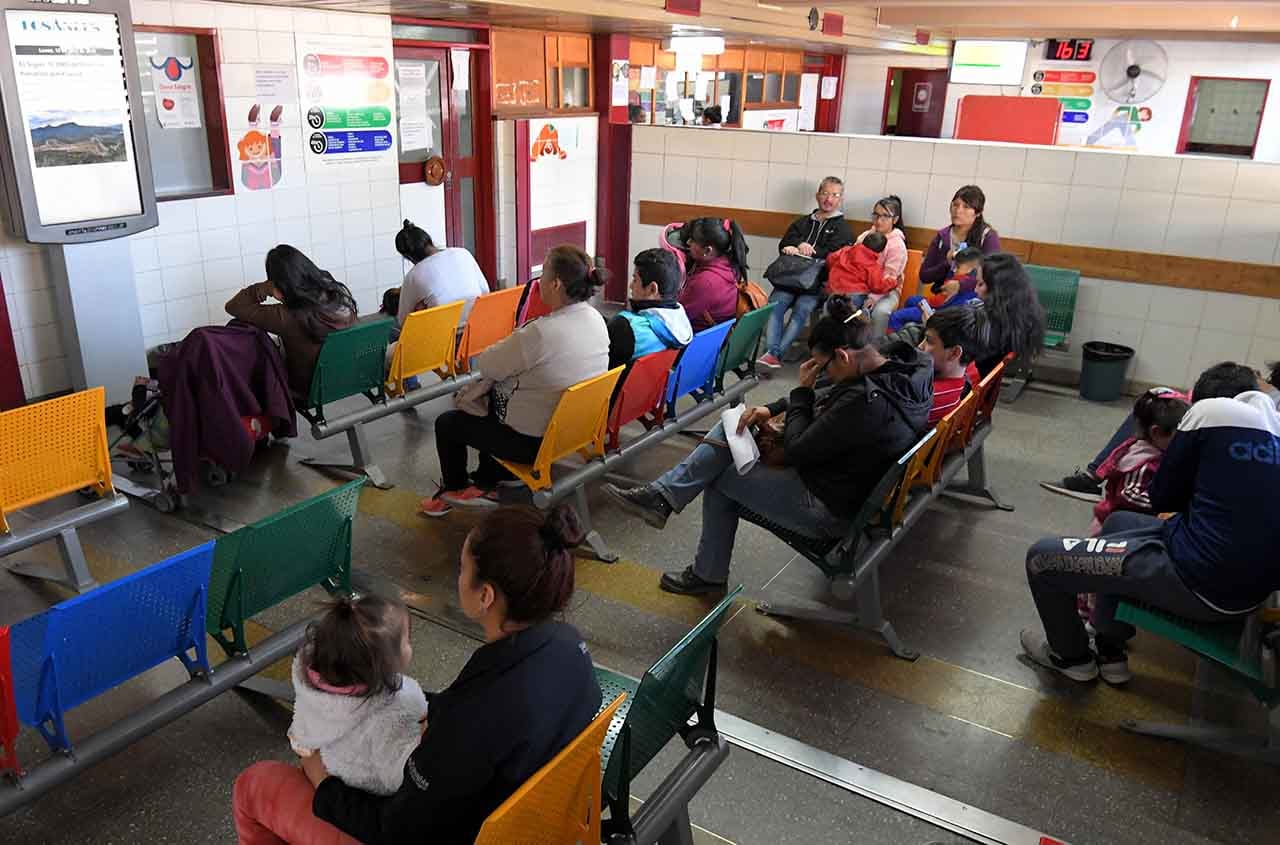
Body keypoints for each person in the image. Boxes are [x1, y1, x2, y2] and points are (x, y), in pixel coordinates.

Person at [232, 505, 602, 845]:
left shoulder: (472, 718)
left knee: (255, 785)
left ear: (486, 595)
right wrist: (438, 720)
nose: (458, 578)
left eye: (462, 568)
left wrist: (321, 780)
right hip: (537, 823)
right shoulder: (570, 647)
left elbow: (394, 829)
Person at [604, 297, 932, 595]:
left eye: (823, 366)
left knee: (719, 479)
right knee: (734, 428)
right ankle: (664, 498)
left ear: (843, 355)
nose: (820, 374)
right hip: (850, 486)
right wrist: (773, 409)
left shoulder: (864, 402)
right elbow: (829, 395)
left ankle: (704, 567)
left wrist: (802, 391)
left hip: (829, 508)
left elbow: (800, 447)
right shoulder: (903, 369)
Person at [1020, 362, 1280, 686]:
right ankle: (1109, 645)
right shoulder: (1275, 428)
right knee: (1118, 522)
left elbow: (1163, 499)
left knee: (1042, 558)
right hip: (1249, 593)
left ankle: (1071, 658)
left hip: (1201, 584)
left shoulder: (1211, 412)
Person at [422, 246, 609, 516]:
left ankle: (455, 488)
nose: (539, 280)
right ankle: (490, 478)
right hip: (572, 433)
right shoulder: (596, 319)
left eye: (543, 273)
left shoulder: (541, 333)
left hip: (532, 443)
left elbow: (486, 363)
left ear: (556, 284)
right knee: (501, 401)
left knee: (449, 422)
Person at [281, 596, 427, 799]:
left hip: (336, 770)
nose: (411, 644)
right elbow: (400, 777)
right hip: (367, 794)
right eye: (407, 640)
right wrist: (425, 738)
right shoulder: (389, 716)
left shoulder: (315, 687)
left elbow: (301, 736)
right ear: (384, 665)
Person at [225, 245, 357, 397]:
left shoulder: (287, 316)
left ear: (280, 284)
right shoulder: (338, 293)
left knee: (251, 342)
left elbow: (234, 306)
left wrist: (265, 288)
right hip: (346, 375)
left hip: (308, 388)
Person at [758, 177, 855, 369]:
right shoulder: (802, 223)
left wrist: (811, 250)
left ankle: (774, 354)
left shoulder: (843, 229)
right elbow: (784, 244)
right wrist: (793, 247)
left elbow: (837, 255)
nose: (829, 199)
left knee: (801, 311)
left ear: (841, 199)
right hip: (788, 280)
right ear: (817, 195)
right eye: (825, 193)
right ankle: (772, 353)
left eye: (835, 195)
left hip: (816, 285)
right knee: (774, 307)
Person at [607, 248, 693, 369]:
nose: (631, 286)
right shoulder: (680, 320)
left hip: (622, 387)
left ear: (652, 289)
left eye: (635, 279)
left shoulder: (626, 327)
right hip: (656, 385)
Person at [394, 220, 490, 327]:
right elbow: (485, 290)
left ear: (409, 257)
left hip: (446, 338)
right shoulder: (463, 253)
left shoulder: (413, 276)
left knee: (395, 332)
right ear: (429, 240)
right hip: (479, 327)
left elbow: (403, 321)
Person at [967, 252, 1046, 376]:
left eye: (980, 284)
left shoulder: (991, 324)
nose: (975, 290)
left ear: (997, 289)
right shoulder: (1018, 315)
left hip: (973, 381)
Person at [675, 217, 750, 332]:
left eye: (693, 240)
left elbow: (675, 318)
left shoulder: (706, 281)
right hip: (714, 340)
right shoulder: (728, 265)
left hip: (692, 341)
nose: (688, 242)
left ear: (707, 251)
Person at [919, 185, 1001, 289]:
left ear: (978, 213)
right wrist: (947, 263)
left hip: (972, 299)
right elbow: (924, 276)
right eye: (955, 205)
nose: (958, 211)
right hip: (944, 294)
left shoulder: (988, 237)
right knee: (913, 301)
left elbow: (992, 277)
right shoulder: (942, 236)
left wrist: (960, 285)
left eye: (966, 207)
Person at [887, 246, 983, 332]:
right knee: (911, 300)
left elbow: (940, 302)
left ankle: (894, 345)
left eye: (958, 267)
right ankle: (911, 331)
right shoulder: (973, 281)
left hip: (939, 313)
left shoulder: (961, 281)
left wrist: (925, 303)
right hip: (942, 307)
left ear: (971, 270)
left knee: (896, 317)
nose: (954, 270)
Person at [853, 196, 909, 336]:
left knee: (880, 312)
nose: (878, 221)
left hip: (887, 290)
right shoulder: (866, 235)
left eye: (885, 216)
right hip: (862, 286)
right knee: (837, 303)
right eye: (876, 215)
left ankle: (876, 351)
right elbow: (852, 260)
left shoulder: (897, 244)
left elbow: (890, 278)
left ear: (894, 220)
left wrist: (873, 297)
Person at [917, 307, 981, 425]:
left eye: (929, 341)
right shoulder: (961, 382)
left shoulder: (926, 399)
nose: (920, 346)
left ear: (954, 353)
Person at [824, 231, 888, 307]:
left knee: (828, 312)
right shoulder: (873, 266)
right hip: (853, 295)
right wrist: (892, 282)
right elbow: (877, 286)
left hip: (832, 289)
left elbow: (830, 260)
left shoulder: (846, 250)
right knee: (851, 313)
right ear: (881, 251)